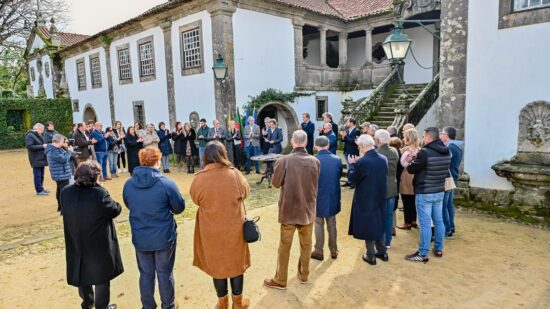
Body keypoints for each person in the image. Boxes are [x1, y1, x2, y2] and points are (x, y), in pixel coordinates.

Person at [190, 141, 251, 309]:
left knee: (217, 265)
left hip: (210, 229)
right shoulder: (235, 174)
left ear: (205, 157)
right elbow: (245, 192)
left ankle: (222, 303)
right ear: (223, 154)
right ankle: (237, 303)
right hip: (234, 228)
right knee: (236, 263)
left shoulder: (199, 178)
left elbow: (195, 198)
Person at [123, 147, 185, 309]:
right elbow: (178, 207)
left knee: (146, 273)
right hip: (163, 236)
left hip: (142, 236)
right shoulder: (166, 184)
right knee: (164, 273)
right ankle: (168, 305)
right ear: (158, 161)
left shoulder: (129, 185)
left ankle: (149, 306)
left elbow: (129, 204)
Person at [61, 161, 123, 309]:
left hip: (76, 238)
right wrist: (101, 188)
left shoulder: (66, 191)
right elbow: (114, 210)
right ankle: (101, 306)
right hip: (97, 241)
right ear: (95, 177)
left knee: (82, 273)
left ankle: (87, 304)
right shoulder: (99, 193)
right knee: (102, 276)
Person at [264, 130, 320, 290]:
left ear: (292, 142)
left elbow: (275, 183)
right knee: (306, 245)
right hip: (308, 210)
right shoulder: (315, 161)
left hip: (289, 210)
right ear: (306, 142)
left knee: (284, 246)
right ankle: (304, 275)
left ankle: (281, 279)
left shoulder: (284, 160)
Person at [403, 127, 451, 263]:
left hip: (425, 191)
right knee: (439, 221)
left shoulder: (425, 152)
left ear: (429, 137)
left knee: (425, 224)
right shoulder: (446, 151)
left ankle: (423, 253)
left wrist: (413, 157)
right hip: (439, 191)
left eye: (423, 136)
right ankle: (439, 248)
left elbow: (411, 169)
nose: (422, 139)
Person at [348, 134, 388, 265]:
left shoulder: (362, 161)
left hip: (366, 196)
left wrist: (353, 165)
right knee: (379, 221)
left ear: (362, 146)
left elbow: (353, 179)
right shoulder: (383, 158)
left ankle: (371, 255)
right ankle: (382, 252)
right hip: (381, 195)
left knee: (368, 224)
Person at [310, 136, 342, 261]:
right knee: (332, 224)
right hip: (332, 195)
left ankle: (319, 251)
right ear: (328, 145)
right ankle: (334, 250)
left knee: (318, 223)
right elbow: (338, 176)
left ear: (316, 146)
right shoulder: (337, 159)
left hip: (317, 195)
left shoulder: (312, 160)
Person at [374, 129, 399, 248]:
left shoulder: (377, 152)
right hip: (392, 186)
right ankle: (387, 241)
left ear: (377, 140)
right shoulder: (394, 151)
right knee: (389, 216)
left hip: (380, 187)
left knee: (379, 216)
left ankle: (381, 241)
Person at [440, 126, 463, 238]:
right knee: (449, 204)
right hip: (452, 177)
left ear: (446, 135)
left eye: (442, 133)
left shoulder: (450, 147)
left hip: (448, 178)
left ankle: (447, 229)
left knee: (444, 204)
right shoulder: (457, 146)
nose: (441, 135)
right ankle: (451, 227)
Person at [397, 128, 421, 230]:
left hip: (406, 175)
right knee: (413, 200)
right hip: (416, 175)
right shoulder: (420, 149)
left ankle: (407, 222)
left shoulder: (404, 150)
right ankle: (414, 220)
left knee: (406, 200)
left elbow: (400, 164)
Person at [45, 134, 73, 213]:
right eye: (63, 141)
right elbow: (64, 159)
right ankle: (64, 210)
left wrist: (67, 150)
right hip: (61, 175)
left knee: (60, 191)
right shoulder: (53, 151)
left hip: (61, 173)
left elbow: (64, 155)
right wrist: (69, 152)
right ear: (59, 141)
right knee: (64, 192)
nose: (64, 143)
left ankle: (60, 207)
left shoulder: (56, 148)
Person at [25, 123, 49, 196]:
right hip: (35, 158)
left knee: (41, 175)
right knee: (37, 175)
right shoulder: (30, 135)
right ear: (37, 128)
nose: (43, 131)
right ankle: (39, 190)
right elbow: (30, 146)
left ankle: (41, 188)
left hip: (41, 157)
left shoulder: (39, 134)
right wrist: (42, 146)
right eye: (42, 129)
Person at [340, 118, 360, 187]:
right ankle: (349, 181)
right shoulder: (348, 130)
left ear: (351, 123)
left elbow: (353, 141)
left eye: (347, 122)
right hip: (346, 151)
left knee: (352, 167)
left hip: (353, 151)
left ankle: (353, 182)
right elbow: (345, 141)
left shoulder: (357, 131)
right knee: (348, 167)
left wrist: (345, 136)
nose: (346, 123)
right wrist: (343, 136)